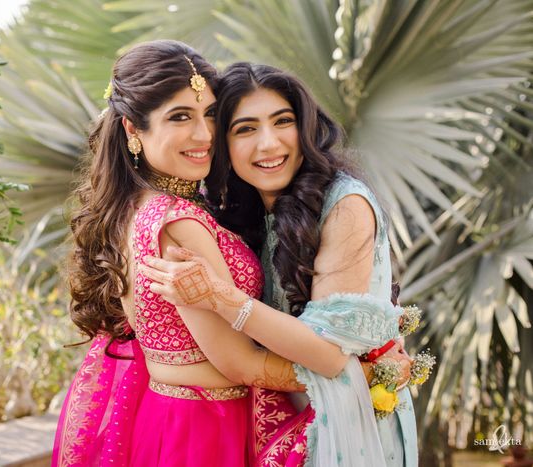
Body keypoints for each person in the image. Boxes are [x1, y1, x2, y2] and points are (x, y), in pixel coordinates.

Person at [52, 41, 316, 467]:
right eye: (180, 117)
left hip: (172, 417)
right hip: (209, 430)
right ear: (132, 130)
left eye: (210, 113)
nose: (205, 134)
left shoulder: (133, 205)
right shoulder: (177, 222)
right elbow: (239, 363)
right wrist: (347, 375)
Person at [140, 62, 418, 466]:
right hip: (277, 430)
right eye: (245, 129)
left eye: (282, 121)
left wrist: (221, 298)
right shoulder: (234, 207)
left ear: (304, 128)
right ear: (222, 144)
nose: (268, 144)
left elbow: (326, 352)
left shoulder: (345, 205)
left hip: (348, 428)